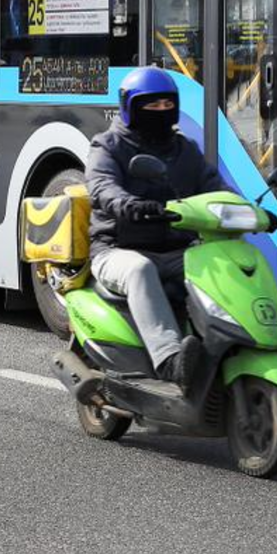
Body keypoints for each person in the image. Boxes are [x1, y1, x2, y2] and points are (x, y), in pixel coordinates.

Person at [85, 66, 226, 386]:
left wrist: (248, 209)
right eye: (151, 106)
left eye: (167, 105)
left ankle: (237, 343)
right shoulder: (107, 146)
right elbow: (102, 185)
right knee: (139, 270)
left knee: (225, 261)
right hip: (118, 248)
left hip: (176, 248)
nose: (160, 112)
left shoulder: (184, 148)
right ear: (130, 107)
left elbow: (214, 186)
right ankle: (170, 361)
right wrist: (128, 205)